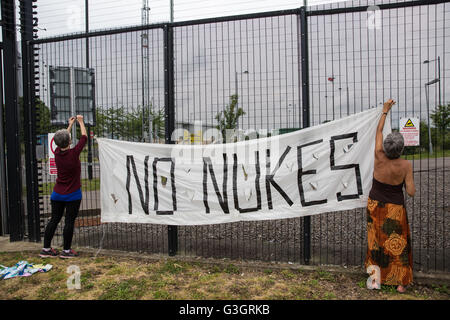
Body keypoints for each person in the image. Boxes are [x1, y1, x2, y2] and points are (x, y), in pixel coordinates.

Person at [365, 99, 415, 293]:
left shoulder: (378, 155)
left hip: (375, 204)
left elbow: (378, 132)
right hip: (395, 208)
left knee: (375, 241)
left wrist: (384, 111)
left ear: (386, 147)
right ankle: (401, 282)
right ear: (401, 149)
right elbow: (410, 192)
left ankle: (375, 280)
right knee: (398, 245)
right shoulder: (405, 166)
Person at [40, 115, 87, 259]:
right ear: (70, 141)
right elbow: (84, 137)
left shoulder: (56, 153)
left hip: (57, 194)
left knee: (54, 219)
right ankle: (66, 251)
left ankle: (46, 249)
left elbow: (61, 141)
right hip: (73, 194)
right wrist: (80, 122)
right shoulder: (73, 154)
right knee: (69, 221)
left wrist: (69, 126)